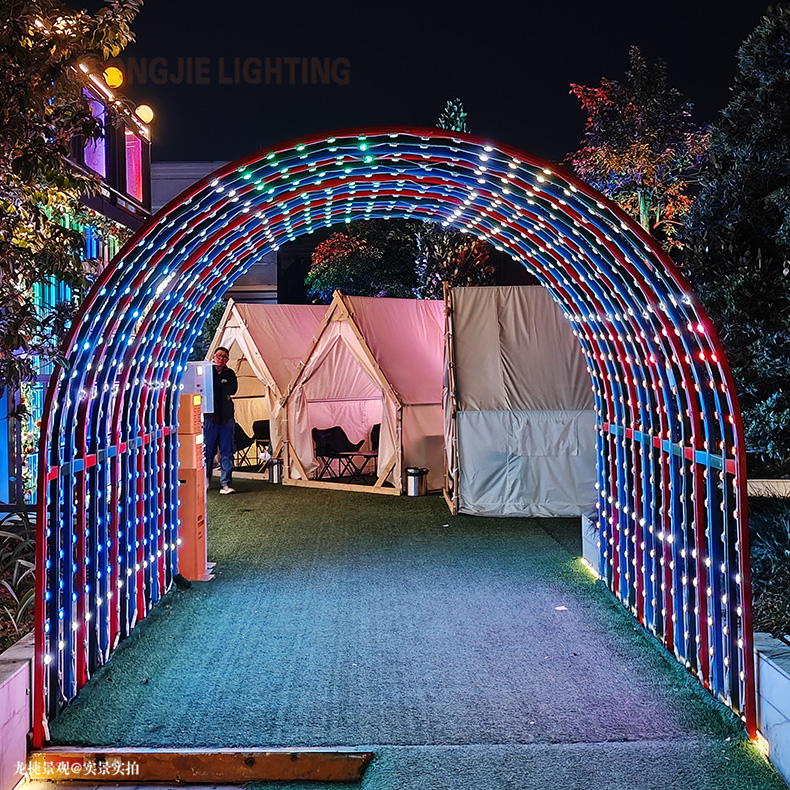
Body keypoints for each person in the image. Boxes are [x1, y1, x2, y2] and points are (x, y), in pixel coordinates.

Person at [204, 346, 238, 494]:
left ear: (227, 359)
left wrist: (221, 390)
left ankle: (225, 483)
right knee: (208, 451)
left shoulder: (230, 373)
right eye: (219, 356)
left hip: (226, 418)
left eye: (224, 357)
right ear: (213, 356)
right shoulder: (207, 372)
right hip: (210, 418)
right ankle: (206, 480)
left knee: (227, 450)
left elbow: (232, 390)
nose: (221, 359)